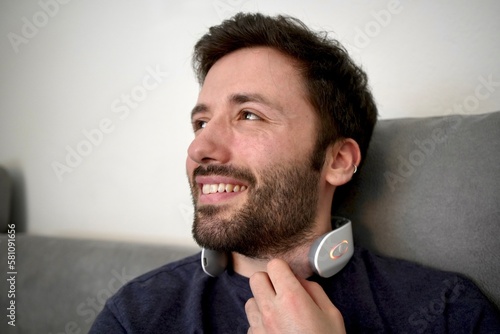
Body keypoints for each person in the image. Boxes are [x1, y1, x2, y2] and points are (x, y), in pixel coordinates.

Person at [90, 12, 500, 333]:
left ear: (337, 161)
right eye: (201, 123)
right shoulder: (135, 316)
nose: (199, 148)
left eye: (248, 115)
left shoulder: (448, 311)